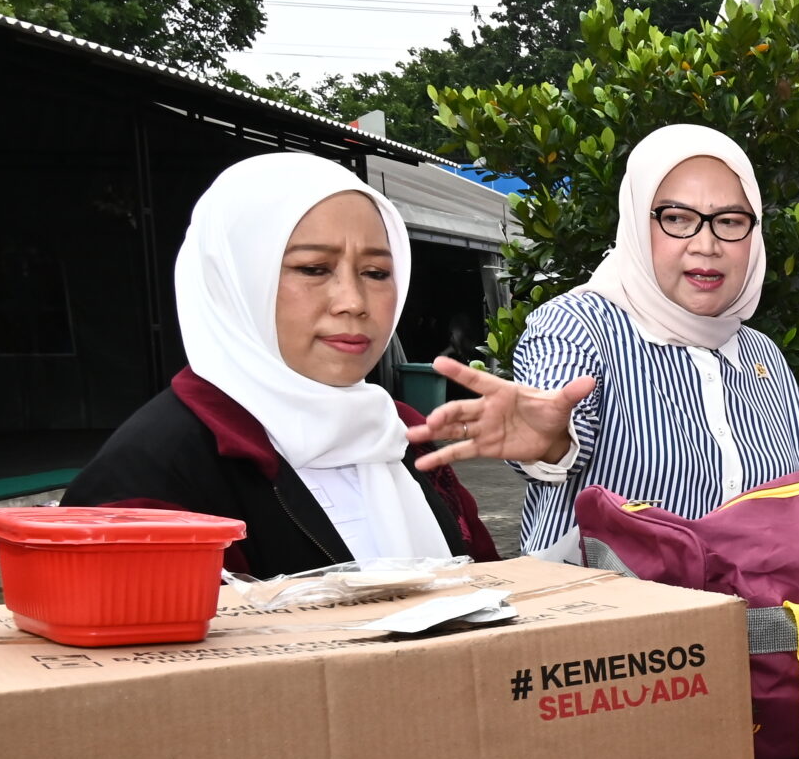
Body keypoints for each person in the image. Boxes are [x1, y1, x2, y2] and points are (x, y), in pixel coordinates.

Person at [66, 153, 495, 577]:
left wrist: (555, 457)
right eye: (313, 269)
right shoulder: (148, 483)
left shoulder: (400, 435)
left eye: (377, 272)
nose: (353, 302)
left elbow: (503, 602)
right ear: (235, 280)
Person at [407, 124, 799, 560]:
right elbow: (558, 424)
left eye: (730, 221)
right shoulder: (576, 327)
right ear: (637, 223)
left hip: (751, 623)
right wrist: (550, 438)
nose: (706, 244)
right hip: (610, 623)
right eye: (676, 219)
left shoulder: (763, 356)